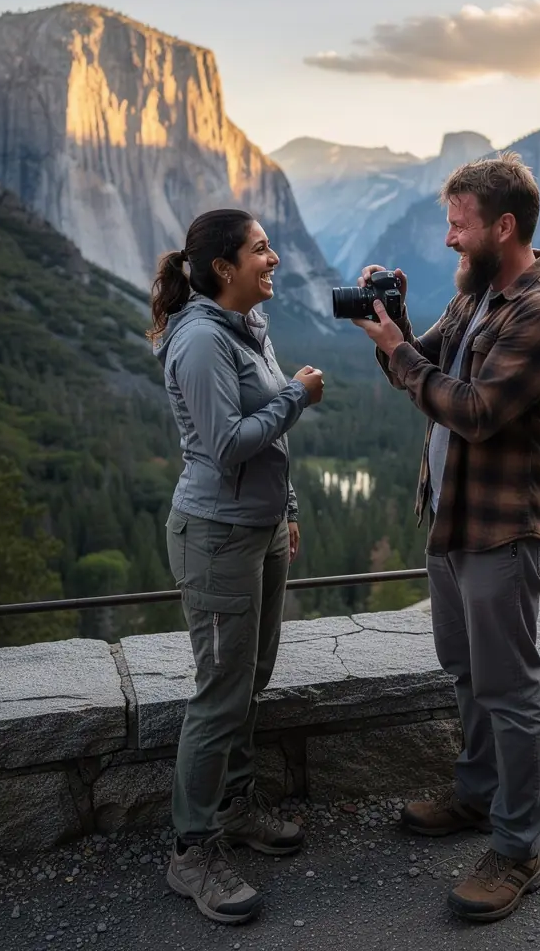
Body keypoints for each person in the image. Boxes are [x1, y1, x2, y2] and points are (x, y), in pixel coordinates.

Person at [351, 152, 540, 924]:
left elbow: (475, 410)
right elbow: (425, 378)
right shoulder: (480, 298)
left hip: (503, 529)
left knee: (512, 690)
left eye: (459, 223)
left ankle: (518, 851)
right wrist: (394, 327)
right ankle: (478, 796)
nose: (449, 238)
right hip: (451, 520)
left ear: (503, 226)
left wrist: (401, 355)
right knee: (464, 672)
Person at [147, 208, 325, 926]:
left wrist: (285, 509)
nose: (274, 257)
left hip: (256, 529)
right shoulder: (198, 341)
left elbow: (265, 451)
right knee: (220, 696)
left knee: (252, 679)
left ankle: (238, 807)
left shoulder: (246, 328)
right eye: (260, 248)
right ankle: (192, 852)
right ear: (225, 268)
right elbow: (227, 445)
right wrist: (297, 396)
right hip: (215, 536)